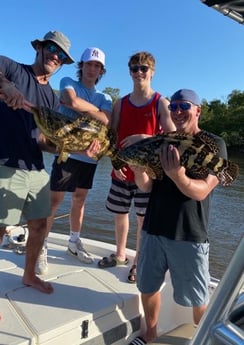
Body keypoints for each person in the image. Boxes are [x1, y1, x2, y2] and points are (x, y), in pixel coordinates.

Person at [0, 30, 74, 325]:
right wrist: (4, 83)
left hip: (35, 168)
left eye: (62, 56)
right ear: (39, 47)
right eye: (52, 49)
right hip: (3, 165)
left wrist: (68, 145)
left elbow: (46, 143)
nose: (56, 56)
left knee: (40, 225)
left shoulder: (51, 99)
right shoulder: (14, 69)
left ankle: (29, 275)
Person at [129, 89, 228, 344]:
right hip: (153, 228)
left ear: (198, 110)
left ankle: (205, 337)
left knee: (198, 299)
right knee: (147, 287)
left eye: (184, 106)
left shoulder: (214, 144)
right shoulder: (164, 140)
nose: (178, 111)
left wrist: (178, 176)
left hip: (189, 234)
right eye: (173, 107)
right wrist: (139, 171)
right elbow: (147, 187)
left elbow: (202, 190)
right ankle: (149, 333)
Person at [97, 51, 175, 284]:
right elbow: (112, 135)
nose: (139, 72)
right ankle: (121, 254)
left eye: (143, 68)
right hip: (121, 169)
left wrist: (144, 136)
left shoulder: (160, 101)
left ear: (152, 72)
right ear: (129, 72)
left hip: (147, 173)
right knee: (120, 215)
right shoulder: (121, 103)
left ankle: (139, 260)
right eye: (134, 69)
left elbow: (172, 135)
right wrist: (114, 160)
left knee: (143, 219)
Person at [35, 47, 112, 274]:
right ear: (82, 66)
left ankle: (73, 242)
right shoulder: (69, 81)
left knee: (79, 200)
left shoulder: (105, 97)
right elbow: (70, 100)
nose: (92, 69)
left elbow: (106, 120)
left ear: (101, 71)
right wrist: (94, 111)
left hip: (89, 157)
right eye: (88, 64)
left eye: (97, 66)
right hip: (67, 153)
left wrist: (87, 108)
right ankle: (41, 246)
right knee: (54, 202)